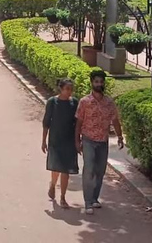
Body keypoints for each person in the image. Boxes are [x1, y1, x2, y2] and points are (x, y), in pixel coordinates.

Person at [75, 69, 123, 215]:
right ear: (91, 83)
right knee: (89, 169)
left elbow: (115, 120)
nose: (99, 84)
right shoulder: (84, 102)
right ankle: (88, 202)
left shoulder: (109, 102)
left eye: (101, 82)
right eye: (96, 82)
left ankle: (95, 198)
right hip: (88, 139)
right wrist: (77, 141)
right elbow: (78, 122)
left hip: (103, 141)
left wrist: (120, 137)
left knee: (100, 171)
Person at [42, 79, 79, 208]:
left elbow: (77, 122)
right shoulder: (52, 102)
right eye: (67, 89)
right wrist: (43, 141)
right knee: (56, 166)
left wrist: (78, 140)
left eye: (71, 89)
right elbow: (46, 122)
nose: (69, 91)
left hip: (69, 140)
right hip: (56, 140)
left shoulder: (74, 103)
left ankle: (63, 197)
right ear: (61, 89)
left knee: (66, 170)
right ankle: (53, 184)